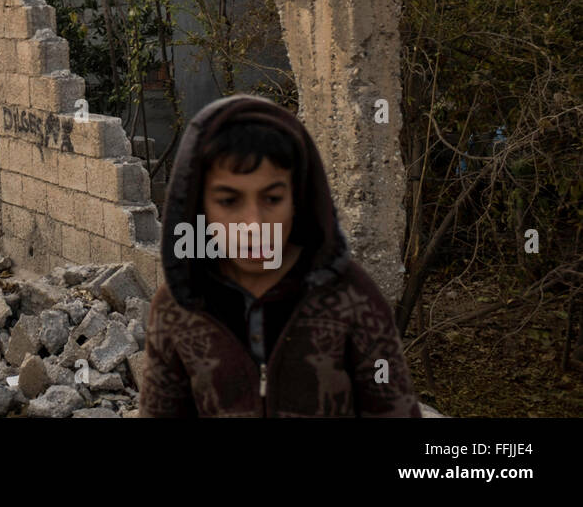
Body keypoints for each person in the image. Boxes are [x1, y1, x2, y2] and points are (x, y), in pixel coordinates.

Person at [138, 93, 420, 418]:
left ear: (297, 198)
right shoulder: (177, 307)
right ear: (198, 207)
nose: (254, 224)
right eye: (229, 201)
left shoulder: (351, 297)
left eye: (272, 198)